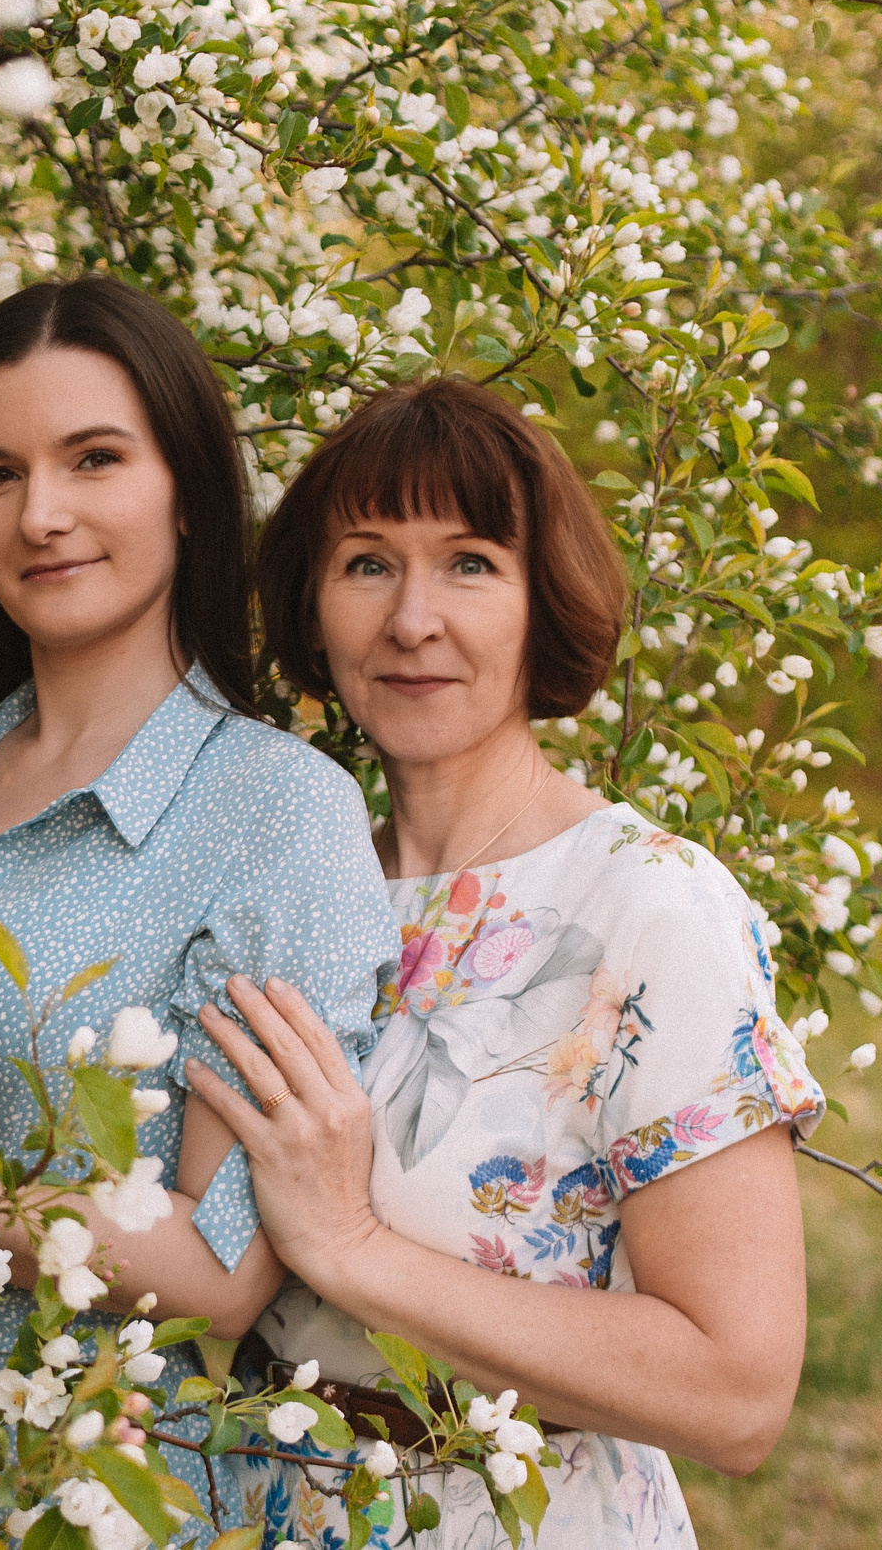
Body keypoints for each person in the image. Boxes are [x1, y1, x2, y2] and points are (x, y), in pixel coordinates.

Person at [187, 376, 827, 1550]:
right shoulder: (295, 888)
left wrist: (352, 1251)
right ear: (314, 610)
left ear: (544, 604)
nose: (411, 620)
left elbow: (735, 1394)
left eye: (470, 564)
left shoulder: (646, 906)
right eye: (367, 564)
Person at [0, 277, 400, 1529]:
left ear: (186, 489)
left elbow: (219, 1268)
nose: (40, 514)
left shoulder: (275, 813)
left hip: (108, 1497)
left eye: (94, 459)